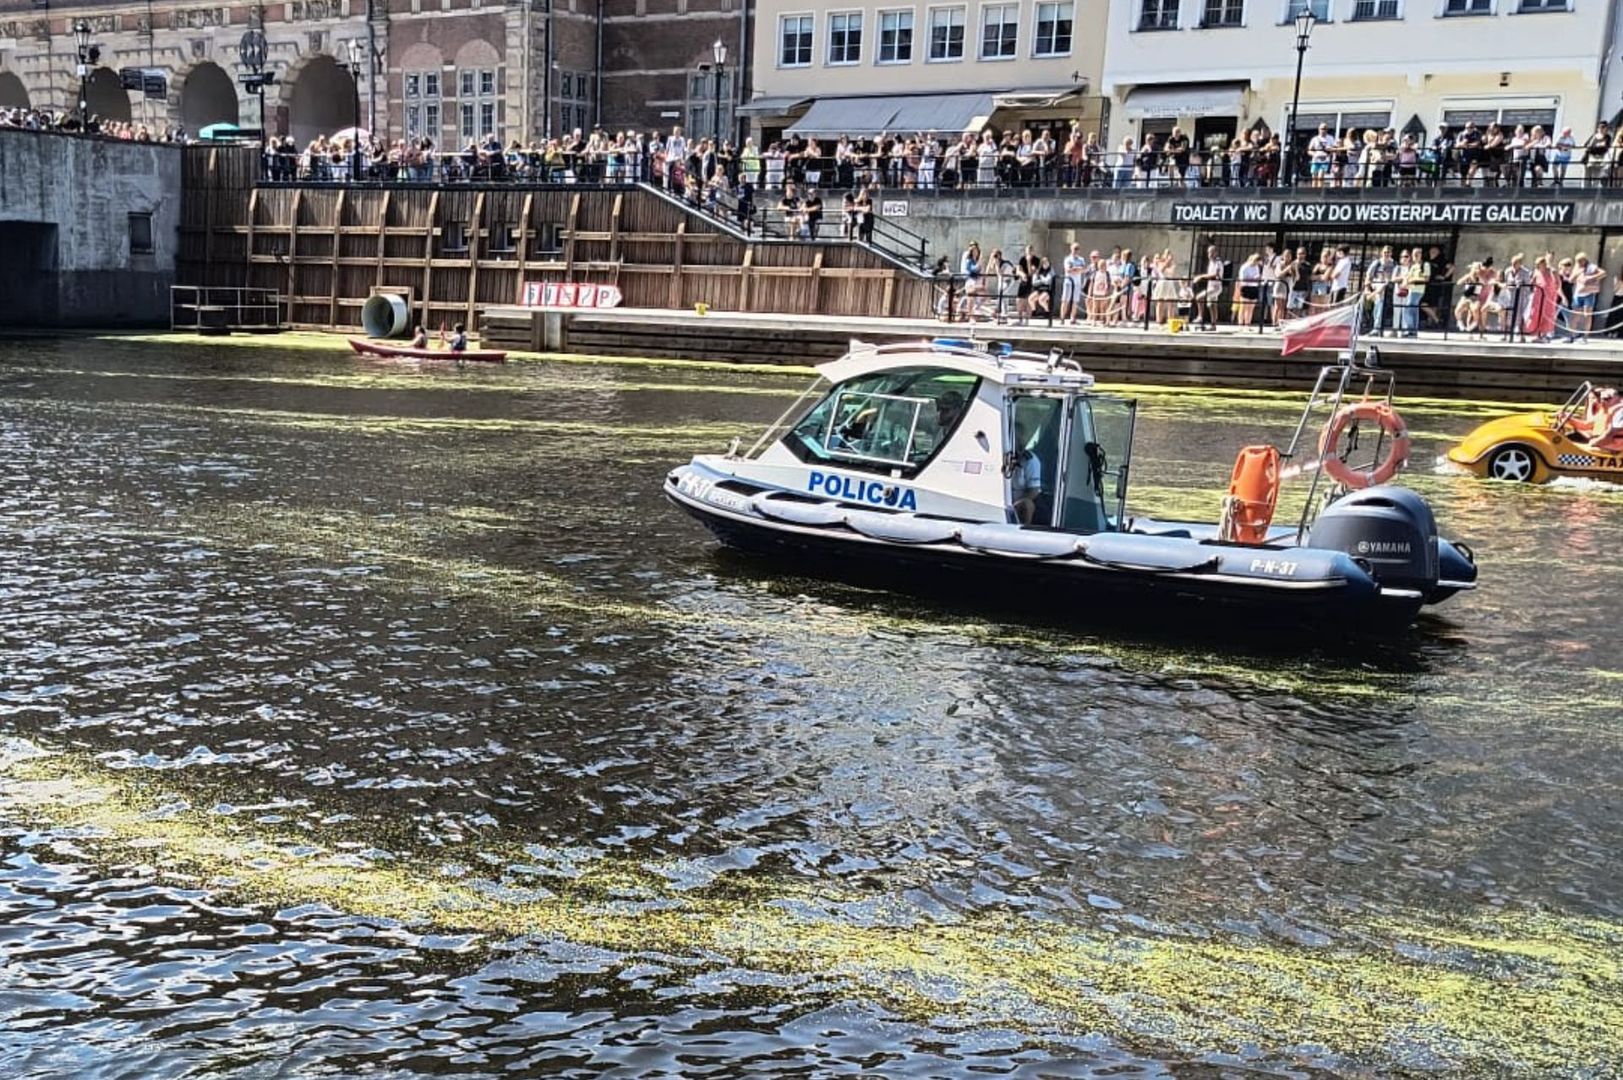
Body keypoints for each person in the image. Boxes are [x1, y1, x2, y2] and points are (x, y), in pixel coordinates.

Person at [1011, 422, 1042, 525]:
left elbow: (1034, 491)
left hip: (1018, 502)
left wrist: (1013, 505)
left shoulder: (1030, 461)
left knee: (1027, 505)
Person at [1061, 242, 1087, 324]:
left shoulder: (1081, 259)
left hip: (1077, 282)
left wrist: (1076, 269)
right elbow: (1068, 270)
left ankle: (1073, 318)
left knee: (1075, 300)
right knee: (1065, 300)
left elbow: (1085, 269)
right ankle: (1062, 318)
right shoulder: (1068, 259)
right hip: (1068, 281)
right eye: (1074, 249)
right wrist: (1078, 269)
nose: (1076, 251)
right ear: (1071, 249)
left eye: (1077, 249)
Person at [1031, 257, 1055, 325]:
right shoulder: (1038, 271)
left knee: (1041, 299)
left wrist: (1041, 278)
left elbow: (1048, 281)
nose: (1045, 264)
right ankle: (1034, 311)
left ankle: (1047, 312)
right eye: (1043, 263)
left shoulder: (1051, 270)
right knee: (1031, 299)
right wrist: (1042, 281)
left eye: (1046, 262)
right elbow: (1034, 282)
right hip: (1039, 289)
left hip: (1048, 290)